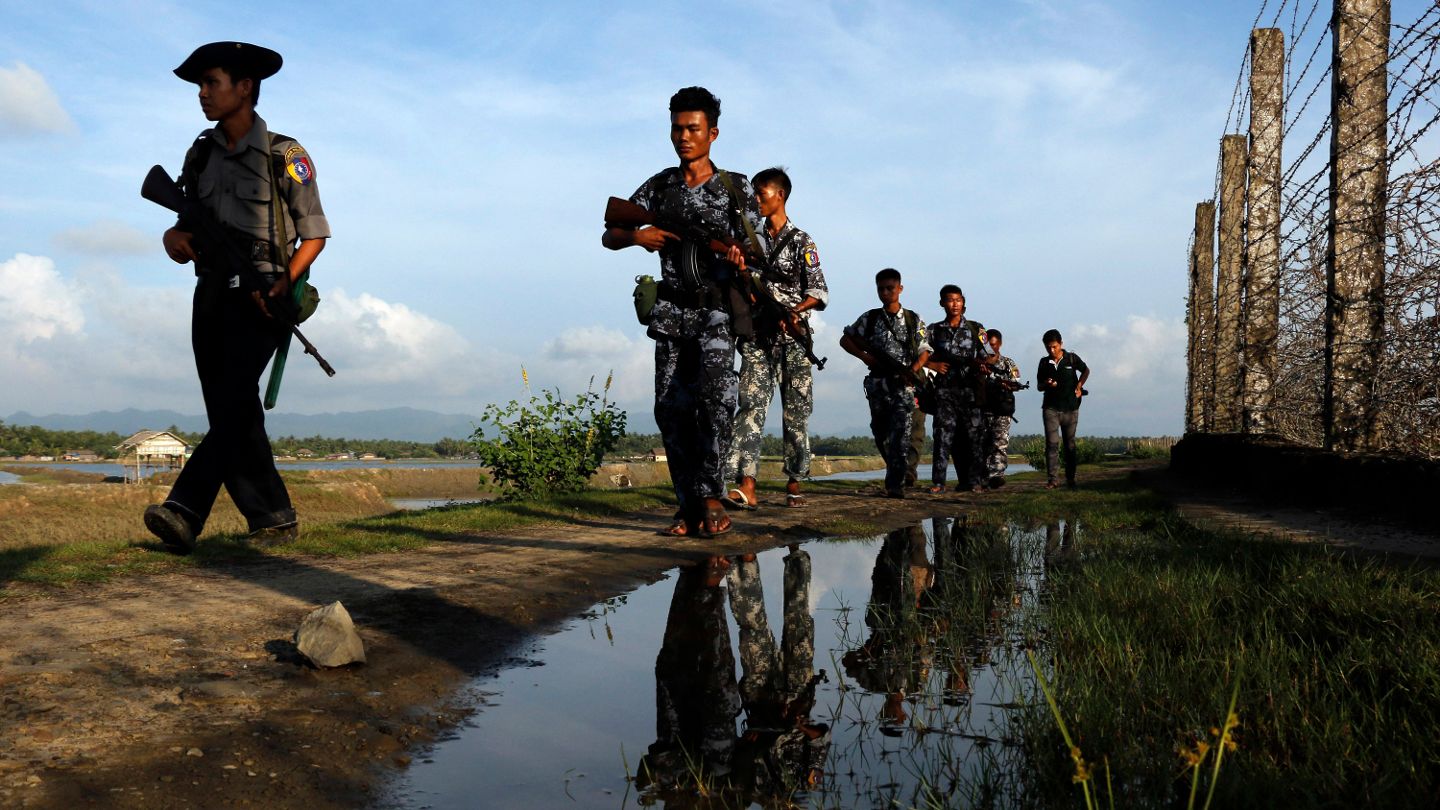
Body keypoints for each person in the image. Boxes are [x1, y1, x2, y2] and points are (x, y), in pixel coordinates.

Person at [143, 41, 330, 553]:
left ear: (244, 87)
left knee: (231, 405)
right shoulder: (200, 152)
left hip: (263, 294)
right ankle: (272, 515)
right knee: (232, 406)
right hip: (210, 293)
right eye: (200, 85)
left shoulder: (285, 155)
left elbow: (314, 234)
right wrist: (172, 240)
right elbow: (183, 226)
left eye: (212, 83)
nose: (203, 94)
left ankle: (184, 510)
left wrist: (281, 281)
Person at [603, 87, 766, 538]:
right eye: (677, 128)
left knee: (717, 403)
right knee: (670, 410)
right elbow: (611, 232)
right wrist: (639, 238)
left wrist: (740, 257)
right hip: (672, 312)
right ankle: (688, 505)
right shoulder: (659, 187)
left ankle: (712, 495)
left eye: (693, 128)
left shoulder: (736, 187)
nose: (683, 136)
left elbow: (760, 249)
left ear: (712, 133)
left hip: (715, 312)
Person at [725, 167, 828, 510]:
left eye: (762, 193)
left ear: (780, 195)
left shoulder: (802, 241)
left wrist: (794, 312)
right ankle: (746, 484)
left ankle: (795, 481)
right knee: (750, 406)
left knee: (795, 413)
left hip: (794, 339)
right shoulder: (748, 239)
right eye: (754, 193)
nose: (756, 199)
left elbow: (818, 291)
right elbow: (739, 283)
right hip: (757, 335)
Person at [840, 269, 930, 498]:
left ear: (900, 288)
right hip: (878, 383)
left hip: (903, 385)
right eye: (881, 288)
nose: (885, 292)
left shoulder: (913, 319)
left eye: (890, 288)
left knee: (902, 433)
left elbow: (925, 351)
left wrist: (912, 370)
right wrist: (865, 357)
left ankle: (895, 484)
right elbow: (845, 340)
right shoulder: (869, 318)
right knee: (880, 432)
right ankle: (896, 474)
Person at [923, 285, 991, 493]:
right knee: (942, 437)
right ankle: (938, 482)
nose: (954, 304)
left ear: (963, 302)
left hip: (970, 391)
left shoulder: (975, 328)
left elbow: (990, 354)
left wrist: (983, 364)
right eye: (950, 300)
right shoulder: (934, 330)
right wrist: (932, 365)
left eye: (958, 300)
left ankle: (975, 481)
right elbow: (920, 355)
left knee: (974, 438)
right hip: (945, 391)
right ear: (942, 303)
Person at [1036, 328, 1090, 489]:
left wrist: (1079, 385)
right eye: (1048, 348)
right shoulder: (1044, 362)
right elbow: (1039, 386)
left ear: (1061, 344)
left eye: (1054, 347)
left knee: (1070, 445)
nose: (1052, 350)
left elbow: (1086, 370)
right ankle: (1053, 480)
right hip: (1050, 408)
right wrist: (1047, 384)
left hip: (1071, 408)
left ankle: (1071, 479)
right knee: (1052, 444)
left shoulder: (1071, 359)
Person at [979, 328, 1022, 488]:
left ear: (1000, 344)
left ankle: (997, 475)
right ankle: (983, 477)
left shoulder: (1008, 363)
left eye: (995, 345)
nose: (992, 348)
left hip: (1003, 409)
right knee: (983, 444)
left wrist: (1006, 385)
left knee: (1000, 442)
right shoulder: (978, 363)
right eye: (989, 345)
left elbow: (1017, 382)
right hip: (984, 409)